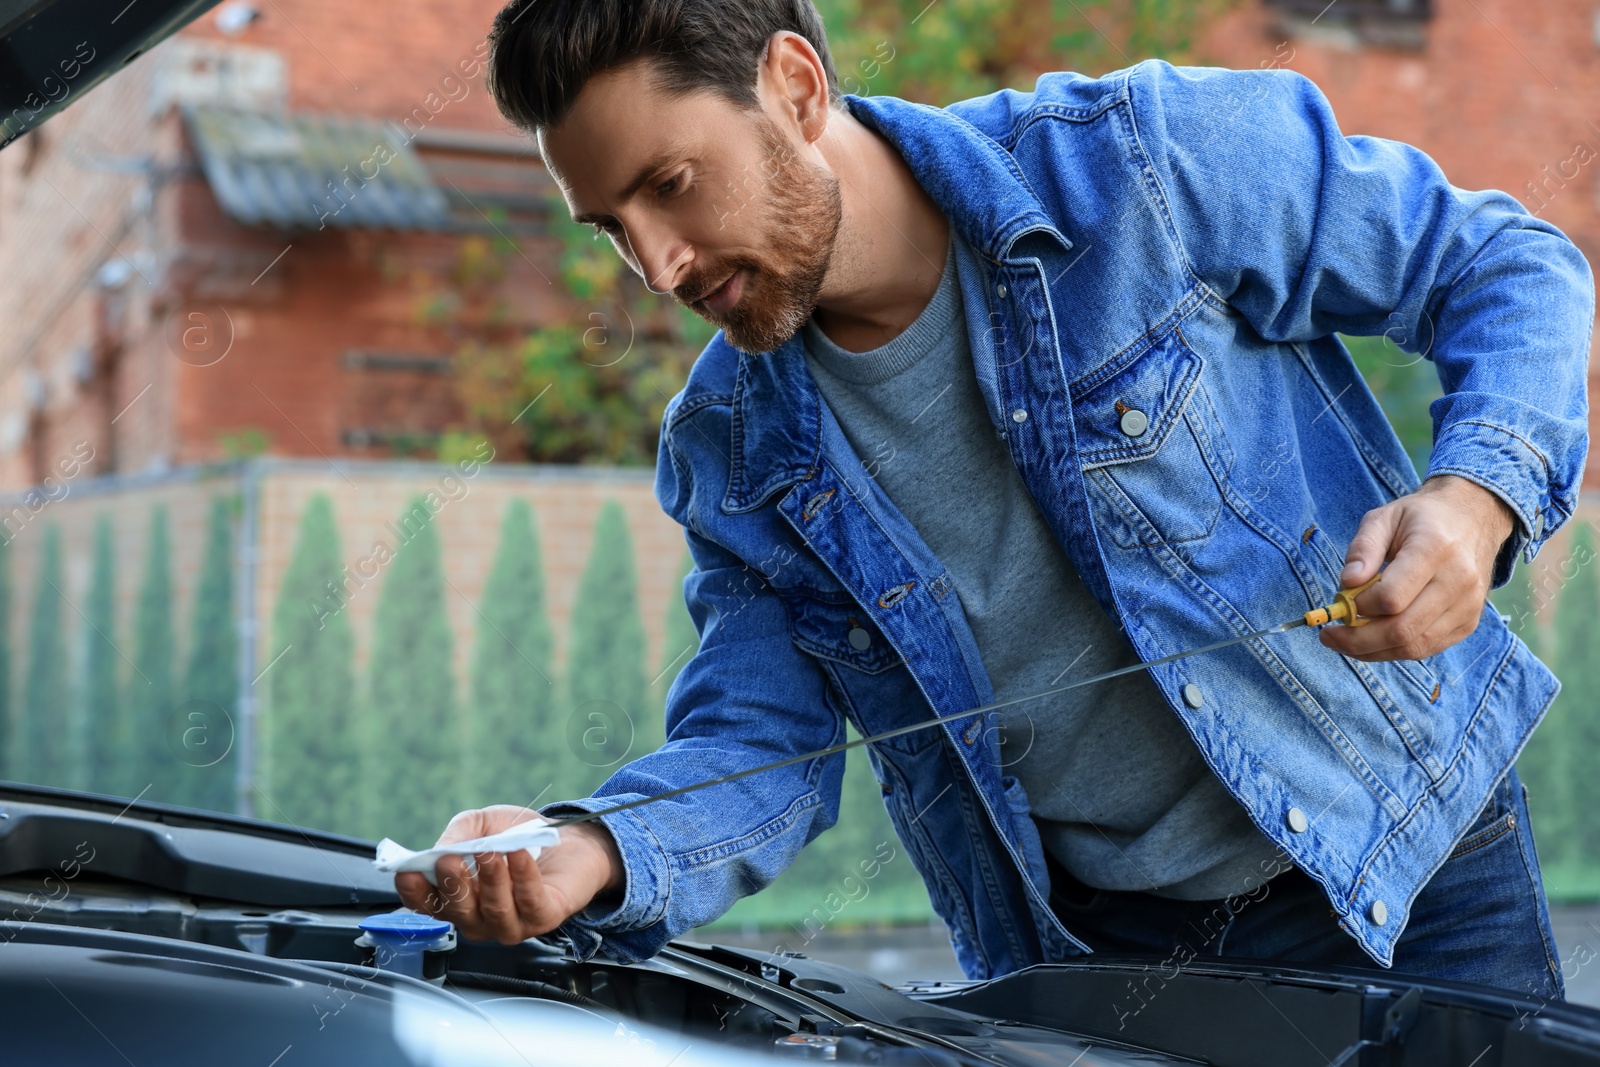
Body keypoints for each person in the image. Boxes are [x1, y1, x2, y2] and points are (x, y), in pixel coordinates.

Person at [395, 0, 1593, 1001]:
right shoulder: (730, 448)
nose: (656, 266)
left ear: (797, 86)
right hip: (1096, 966)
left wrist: (1474, 495)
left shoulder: (1139, 164)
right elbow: (757, 744)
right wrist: (598, 848)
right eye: (614, 226)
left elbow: (1502, 265)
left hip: (1415, 861)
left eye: (670, 184)